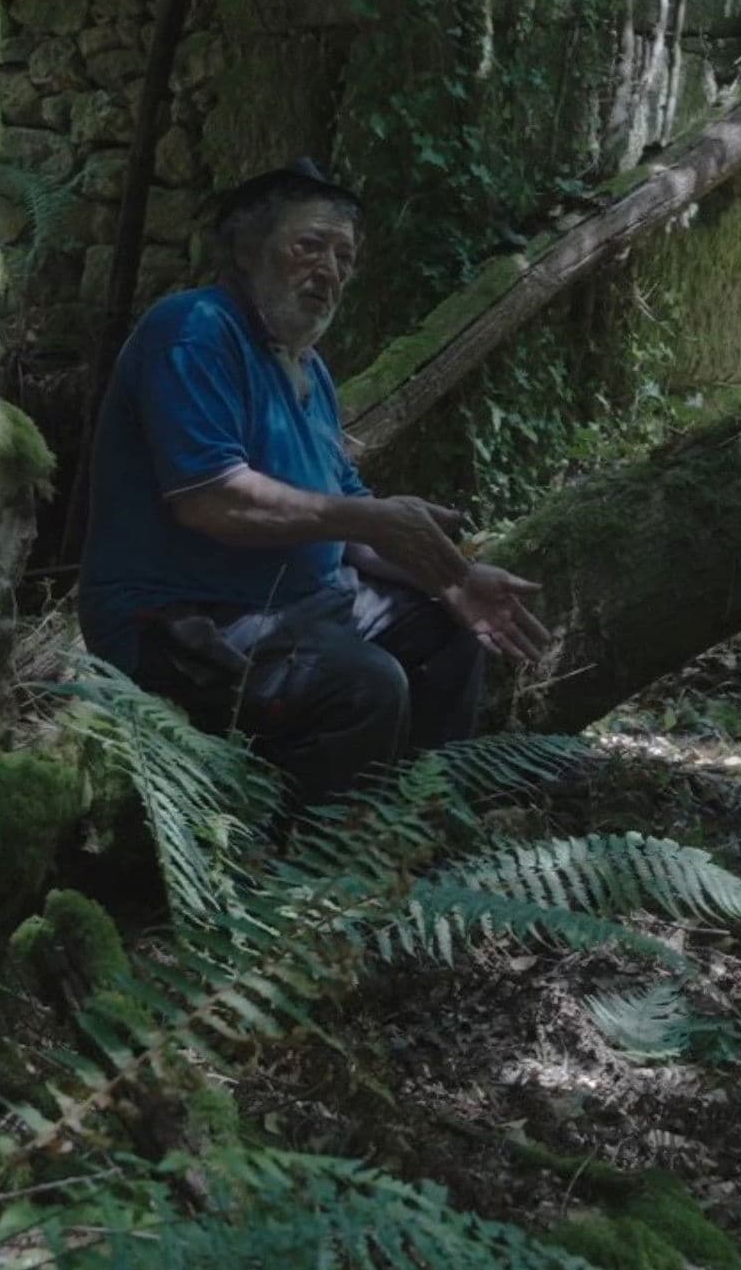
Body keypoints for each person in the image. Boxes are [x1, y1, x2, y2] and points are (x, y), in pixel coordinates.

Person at [77, 158, 549, 810]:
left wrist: (453, 579)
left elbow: (351, 515)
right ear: (248, 248)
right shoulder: (193, 329)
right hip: (179, 619)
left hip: (301, 606)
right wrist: (368, 520)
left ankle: (413, 837)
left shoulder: (309, 370)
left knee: (451, 636)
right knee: (365, 685)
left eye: (344, 259)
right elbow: (213, 500)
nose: (328, 272)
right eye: (309, 246)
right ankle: (312, 876)